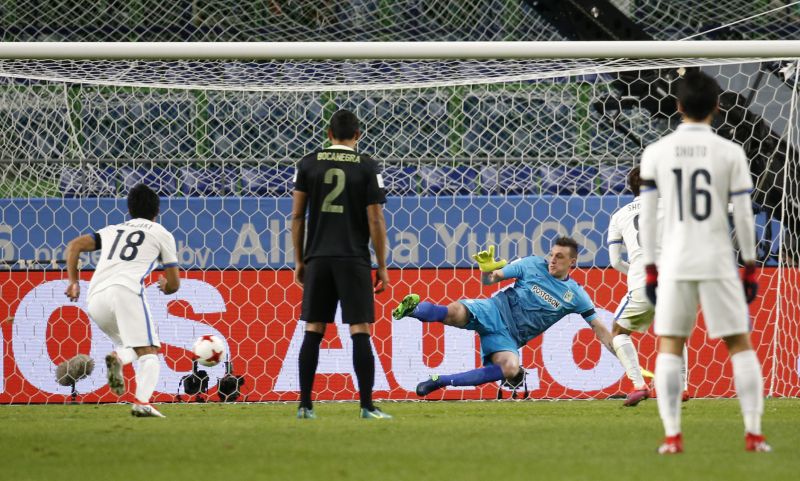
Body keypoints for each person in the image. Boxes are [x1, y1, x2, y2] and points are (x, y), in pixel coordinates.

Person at [639, 69, 769, 454]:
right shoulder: (731, 152)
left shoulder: (656, 152)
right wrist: (749, 263)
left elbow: (648, 216)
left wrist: (650, 266)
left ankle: (673, 436)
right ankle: (753, 434)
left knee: (670, 345)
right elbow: (744, 214)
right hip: (716, 258)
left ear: (677, 107)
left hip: (675, 260)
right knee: (739, 344)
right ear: (717, 106)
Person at [393, 237, 614, 395]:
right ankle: (414, 309)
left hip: (509, 338)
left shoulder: (575, 295)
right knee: (454, 312)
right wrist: (487, 270)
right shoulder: (532, 264)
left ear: (572, 262)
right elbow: (492, 279)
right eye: (551, 254)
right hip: (493, 310)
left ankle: (438, 381)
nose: (552, 260)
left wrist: (620, 351)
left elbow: (598, 328)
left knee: (510, 368)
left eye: (559, 257)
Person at [292, 109, 391, 420]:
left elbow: (297, 217)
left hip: (318, 257)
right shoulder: (367, 166)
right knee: (359, 329)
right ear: (358, 136)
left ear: (328, 133)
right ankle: (366, 406)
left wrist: (299, 259)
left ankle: (305, 405)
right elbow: (375, 218)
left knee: (314, 328)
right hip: (353, 258)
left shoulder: (308, 163)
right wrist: (383, 265)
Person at [64, 183, 180, 418]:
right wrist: (165, 287)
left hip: (95, 298)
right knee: (150, 352)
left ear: (129, 210)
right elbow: (174, 283)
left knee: (131, 347)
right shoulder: (161, 234)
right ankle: (142, 402)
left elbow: (74, 245)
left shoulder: (113, 230)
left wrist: (73, 282)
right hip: (125, 292)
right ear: (157, 212)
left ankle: (118, 358)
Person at [608, 167, 688, 406]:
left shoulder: (620, 215)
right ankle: (681, 388)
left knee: (618, 333)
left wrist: (633, 272)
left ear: (631, 188)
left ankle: (638, 384)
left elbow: (614, 262)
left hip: (644, 282)